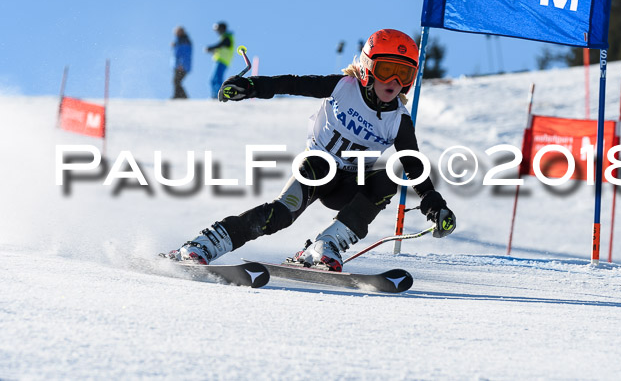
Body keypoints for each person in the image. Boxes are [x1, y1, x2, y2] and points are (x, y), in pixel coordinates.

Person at [166, 29, 456, 271]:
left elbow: (414, 166)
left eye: (404, 74)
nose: (394, 82)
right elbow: (292, 83)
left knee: (388, 180)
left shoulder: (398, 120)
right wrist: (250, 85)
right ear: (368, 68)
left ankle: (325, 246)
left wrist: (435, 205)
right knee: (279, 215)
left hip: (350, 185)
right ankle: (203, 244)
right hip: (318, 168)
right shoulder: (344, 87)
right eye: (386, 70)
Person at [205, 21, 235, 99]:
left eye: (218, 30)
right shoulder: (225, 37)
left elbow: (221, 44)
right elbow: (222, 47)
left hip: (222, 61)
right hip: (221, 60)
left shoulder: (227, 37)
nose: (217, 32)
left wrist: (210, 48)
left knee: (216, 79)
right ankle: (216, 95)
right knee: (214, 79)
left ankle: (219, 95)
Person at [171, 26, 192, 99]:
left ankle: (181, 96)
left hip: (182, 66)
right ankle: (179, 96)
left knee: (176, 81)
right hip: (178, 65)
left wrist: (181, 64)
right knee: (176, 81)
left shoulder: (184, 41)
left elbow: (184, 54)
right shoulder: (179, 41)